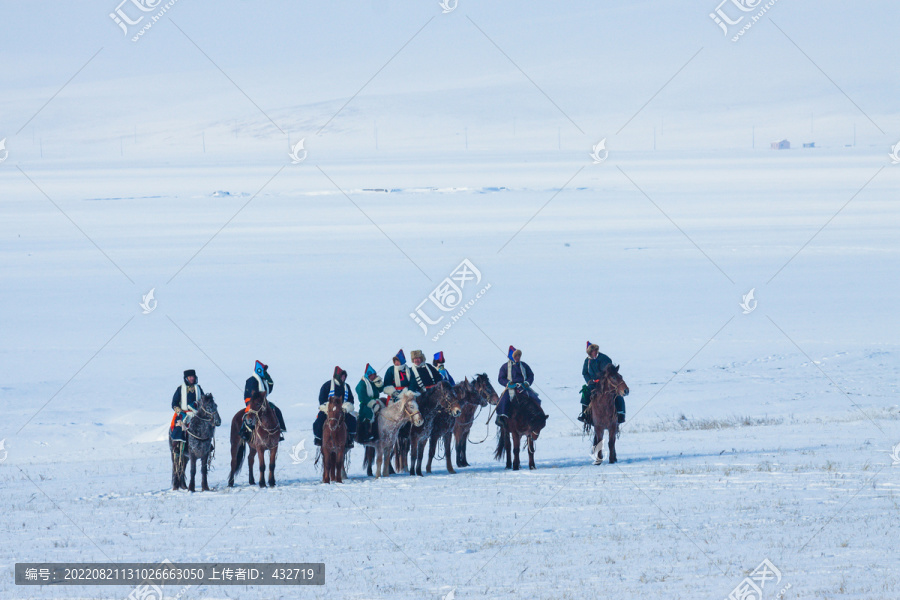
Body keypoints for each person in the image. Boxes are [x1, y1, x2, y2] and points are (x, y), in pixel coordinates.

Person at [579, 341, 625, 424]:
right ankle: (584, 415)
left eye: (595, 350)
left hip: (606, 383)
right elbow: (584, 373)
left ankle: (621, 414)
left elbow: (610, 370)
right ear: (589, 353)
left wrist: (604, 380)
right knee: (585, 393)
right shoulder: (587, 361)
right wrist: (589, 381)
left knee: (617, 394)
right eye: (592, 351)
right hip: (593, 384)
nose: (594, 352)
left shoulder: (604, 358)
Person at [241, 360, 286, 442]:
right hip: (251, 401)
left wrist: (268, 377)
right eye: (264, 370)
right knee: (251, 413)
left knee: (275, 409)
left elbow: (270, 387)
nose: (265, 372)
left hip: (261, 401)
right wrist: (258, 400)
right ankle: (244, 431)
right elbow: (254, 394)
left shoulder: (263, 380)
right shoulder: (251, 380)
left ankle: (279, 430)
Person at [496, 346, 540, 427]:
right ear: (511, 357)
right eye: (515, 356)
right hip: (510, 388)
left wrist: (527, 383)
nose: (518, 357)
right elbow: (500, 378)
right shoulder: (505, 367)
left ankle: (537, 417)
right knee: (503, 400)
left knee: (536, 399)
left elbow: (531, 375)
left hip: (523, 387)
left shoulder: (524, 365)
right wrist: (508, 383)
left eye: (519, 356)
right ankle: (501, 418)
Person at [314, 366, 357, 448]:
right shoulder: (327, 385)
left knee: (352, 420)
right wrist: (328, 408)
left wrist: (347, 407)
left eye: (345, 376)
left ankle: (350, 439)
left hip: (343, 411)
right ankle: (318, 438)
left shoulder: (347, 387)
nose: (344, 378)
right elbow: (322, 400)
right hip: (328, 411)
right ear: (337, 376)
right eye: (342, 376)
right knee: (319, 420)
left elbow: (351, 400)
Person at [171, 369, 204, 442]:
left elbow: (203, 400)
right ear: (186, 378)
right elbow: (174, 403)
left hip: (197, 414)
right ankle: (176, 447)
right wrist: (180, 412)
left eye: (193, 377)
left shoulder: (198, 388)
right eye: (190, 377)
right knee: (179, 428)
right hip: (184, 414)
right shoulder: (180, 389)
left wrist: (197, 404)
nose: (192, 378)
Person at [355, 363, 384, 443]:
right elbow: (362, 397)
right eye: (372, 375)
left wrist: (379, 383)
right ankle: (366, 433)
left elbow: (381, 390)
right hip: (366, 404)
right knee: (367, 413)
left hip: (376, 401)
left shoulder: (373, 382)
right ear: (368, 375)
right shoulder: (362, 384)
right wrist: (372, 404)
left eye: (374, 375)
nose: (373, 377)